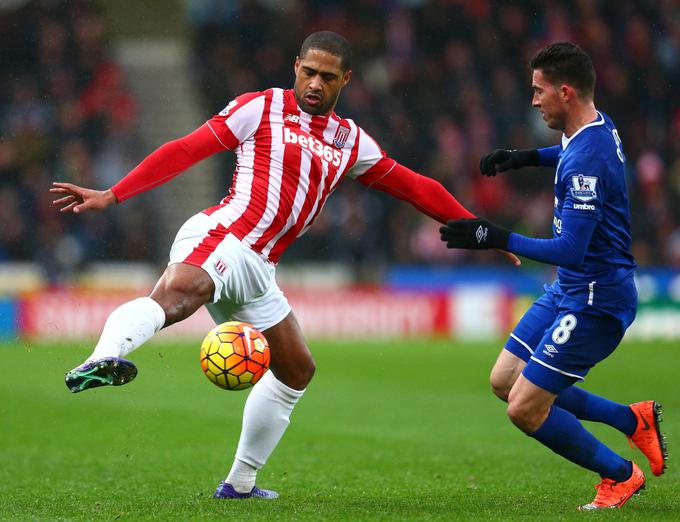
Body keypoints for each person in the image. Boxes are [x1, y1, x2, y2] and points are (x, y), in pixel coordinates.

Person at [51, 31, 519, 500]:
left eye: (327, 77)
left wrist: (483, 232)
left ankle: (240, 484)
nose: (315, 83)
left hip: (261, 267)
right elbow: (188, 148)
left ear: (345, 80)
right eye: (309, 72)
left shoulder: (351, 141)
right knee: (178, 297)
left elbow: (417, 187)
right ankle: (100, 359)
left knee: (296, 369)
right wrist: (115, 193)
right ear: (296, 66)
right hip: (226, 235)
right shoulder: (260, 107)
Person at [440, 42, 667, 510]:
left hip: (595, 301)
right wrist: (523, 158)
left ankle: (621, 476)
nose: (533, 100)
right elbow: (565, 152)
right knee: (504, 380)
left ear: (565, 92)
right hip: (569, 289)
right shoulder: (592, 127)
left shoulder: (588, 159)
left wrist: (493, 235)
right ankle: (632, 420)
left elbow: (569, 249)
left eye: (539, 90)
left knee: (524, 408)